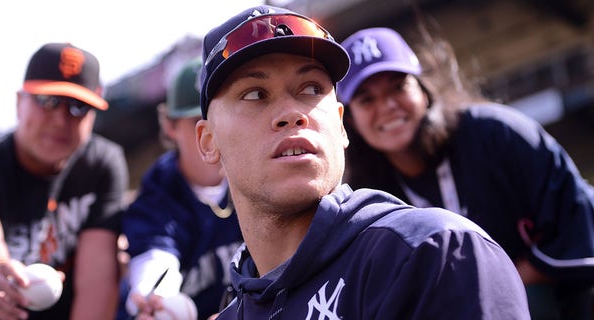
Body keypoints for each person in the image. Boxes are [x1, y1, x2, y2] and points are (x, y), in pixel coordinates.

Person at [195, 5, 530, 319]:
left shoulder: (433, 253)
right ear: (208, 142)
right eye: (255, 94)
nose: (291, 114)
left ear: (340, 125)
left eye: (311, 88)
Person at [337, 26, 594, 319]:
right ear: (350, 119)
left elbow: (579, 219)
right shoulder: (366, 197)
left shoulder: (496, 133)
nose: (387, 106)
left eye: (398, 86)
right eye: (366, 99)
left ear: (424, 90)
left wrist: (509, 276)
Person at [0, 43, 129, 320]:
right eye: (48, 101)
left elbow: (97, 281)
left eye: (78, 107)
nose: (60, 119)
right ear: (19, 102)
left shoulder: (101, 164)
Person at [121, 57, 243, 320]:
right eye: (196, 121)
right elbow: (155, 261)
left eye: (217, 116)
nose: (210, 133)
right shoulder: (158, 194)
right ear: (169, 125)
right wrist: (153, 300)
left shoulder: (257, 172)